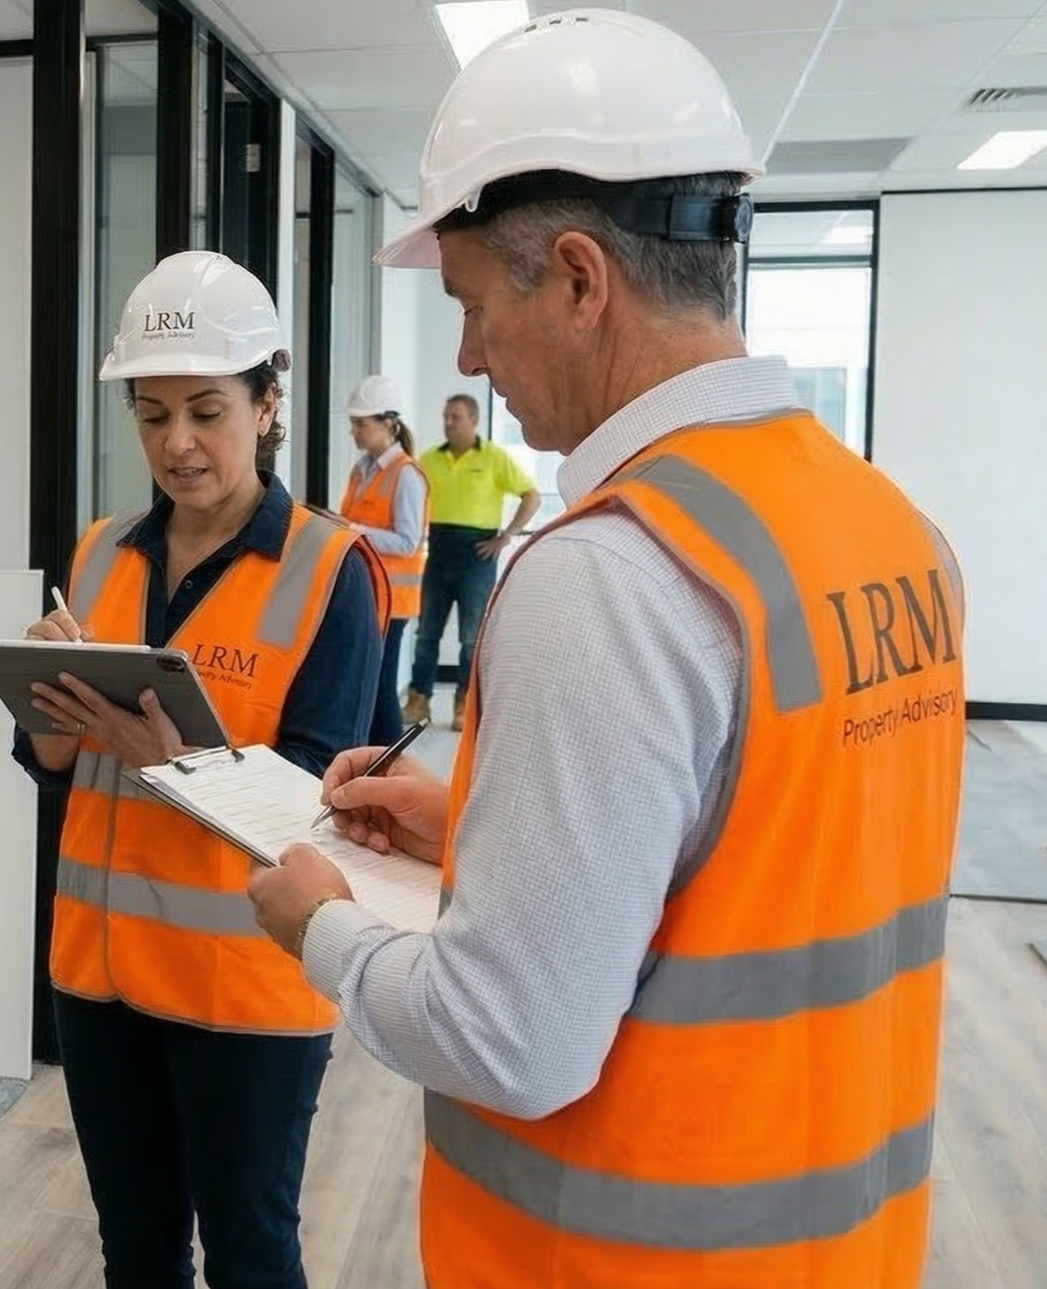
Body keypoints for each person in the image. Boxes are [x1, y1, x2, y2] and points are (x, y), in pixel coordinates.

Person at [245, 11, 965, 1288]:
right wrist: (480, 820)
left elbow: (510, 1041)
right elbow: (761, 859)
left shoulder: (608, 575)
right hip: (838, 1238)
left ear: (579, 279)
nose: (466, 356)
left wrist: (323, 929)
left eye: (472, 304)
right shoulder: (889, 527)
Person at [12, 248, 386, 1289]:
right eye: (151, 413)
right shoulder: (99, 553)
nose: (176, 443)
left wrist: (177, 760)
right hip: (100, 978)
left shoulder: (328, 571)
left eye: (206, 410)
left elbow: (325, 798)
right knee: (134, 1248)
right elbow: (53, 767)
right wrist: (48, 711)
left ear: (268, 403)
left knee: (252, 1250)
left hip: (248, 986)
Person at [404, 392, 540, 730]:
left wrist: (506, 536)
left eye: (456, 417)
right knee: (426, 635)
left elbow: (532, 496)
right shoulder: (429, 459)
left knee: (470, 638)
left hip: (476, 556)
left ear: (474, 421)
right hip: (438, 552)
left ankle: (464, 705)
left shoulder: (494, 458)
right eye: (446, 417)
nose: (448, 423)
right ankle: (419, 701)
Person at [338, 374, 428, 745]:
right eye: (353, 424)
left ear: (388, 424)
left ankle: (390, 764)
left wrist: (352, 529)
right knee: (367, 684)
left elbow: (407, 542)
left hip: (393, 601)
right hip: (368, 595)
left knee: (380, 687)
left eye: (361, 424)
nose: (355, 432)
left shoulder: (406, 475)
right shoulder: (362, 470)